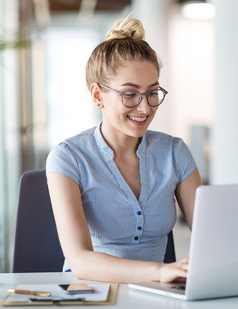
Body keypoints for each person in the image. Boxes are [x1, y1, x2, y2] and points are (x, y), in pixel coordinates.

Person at [45, 17, 203, 284]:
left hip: (158, 294)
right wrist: (160, 271)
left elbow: (211, 238)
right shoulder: (68, 157)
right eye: (130, 94)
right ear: (98, 96)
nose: (145, 108)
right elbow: (80, 260)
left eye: (153, 93)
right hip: (90, 292)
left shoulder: (174, 153)